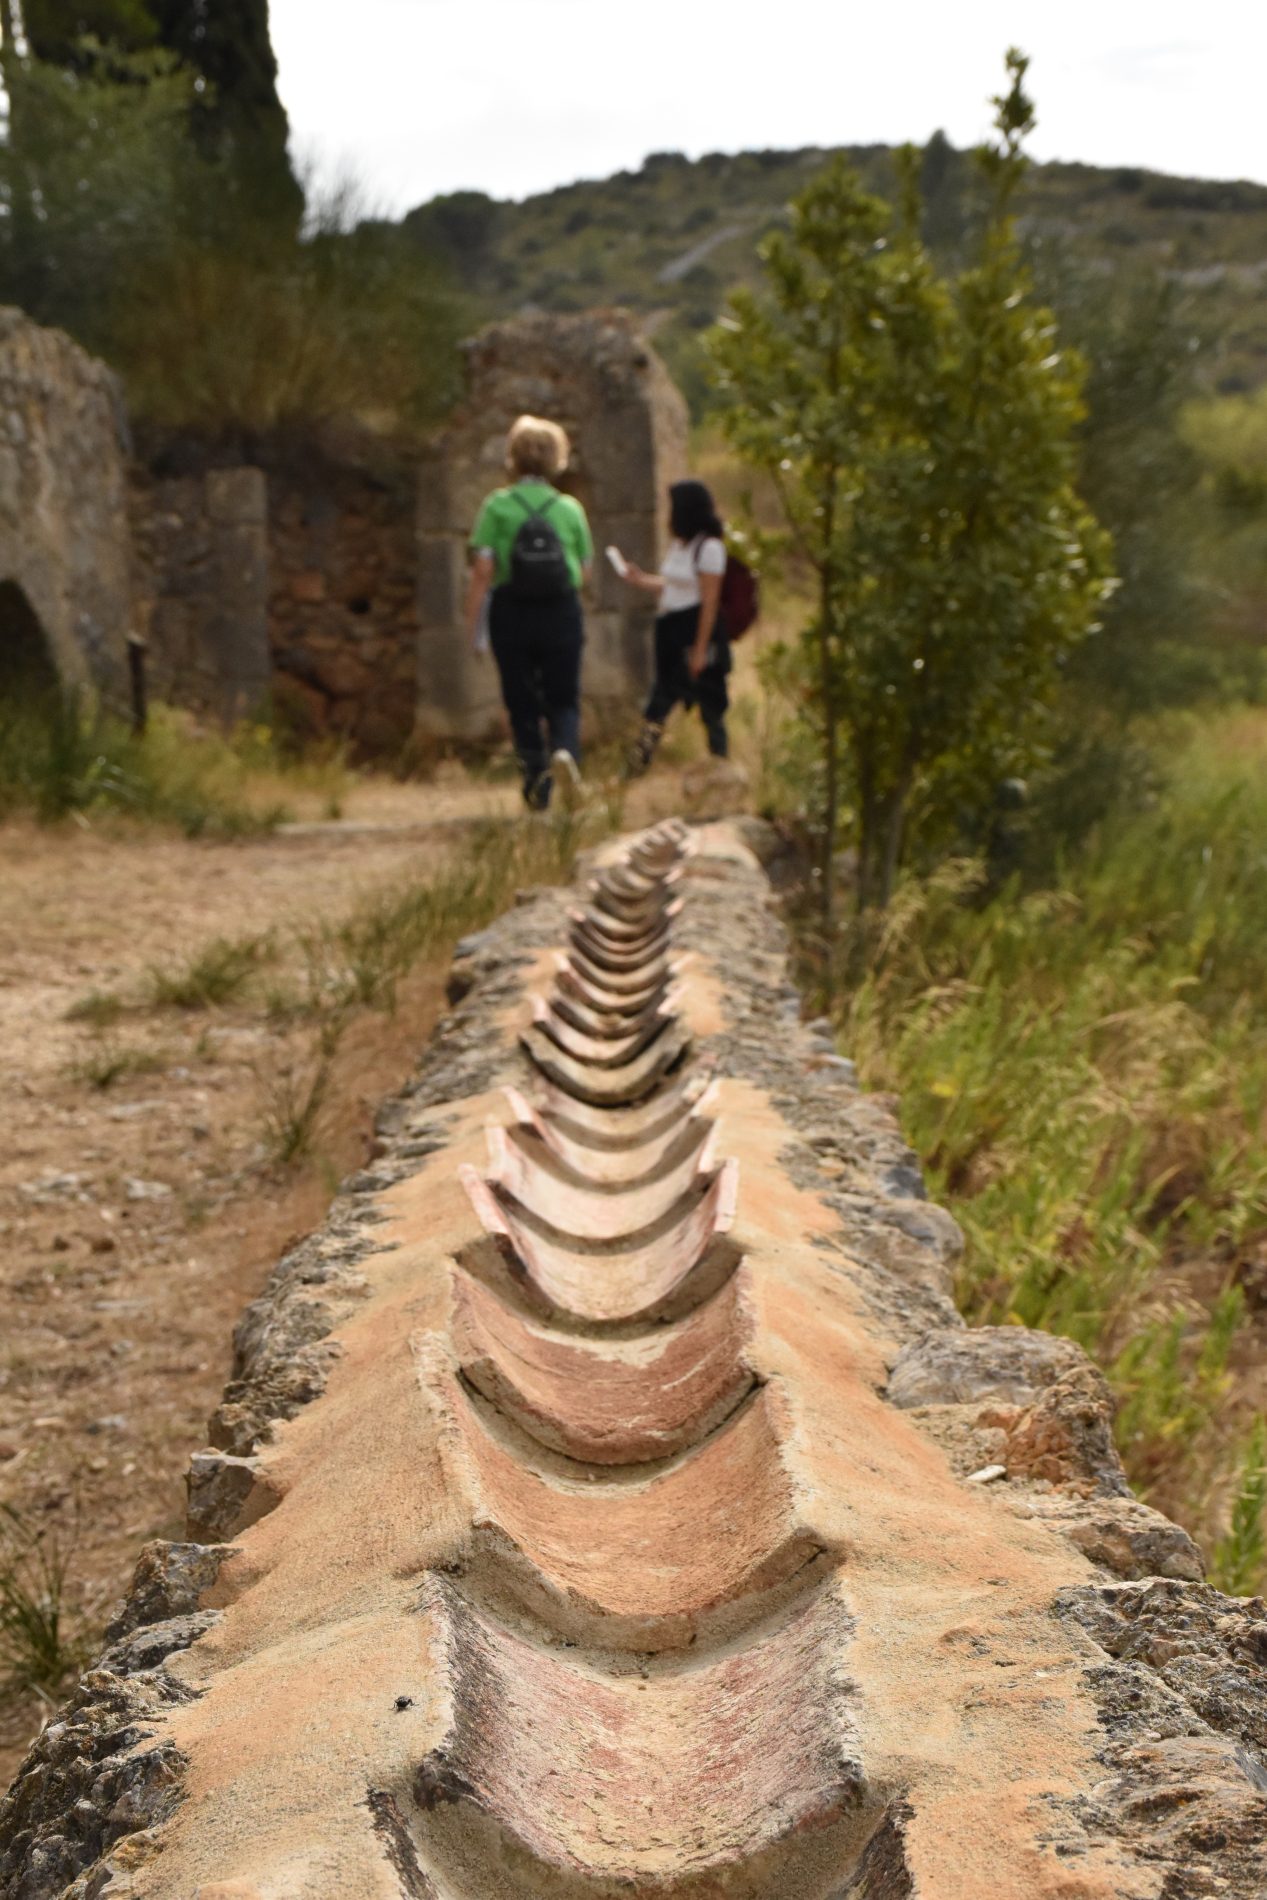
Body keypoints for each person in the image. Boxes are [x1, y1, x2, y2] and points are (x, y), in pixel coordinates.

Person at [466, 415, 594, 811]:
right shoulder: (570, 508)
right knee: (564, 697)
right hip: (560, 610)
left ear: (514, 458)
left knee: (520, 700)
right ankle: (566, 755)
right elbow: (584, 570)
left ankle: (536, 786)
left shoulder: (497, 506)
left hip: (512, 611)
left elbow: (483, 569)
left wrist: (473, 624)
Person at [620, 480, 731, 774]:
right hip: (670, 632)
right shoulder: (681, 546)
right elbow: (673, 586)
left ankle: (720, 763)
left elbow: (709, 600)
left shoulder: (710, 548)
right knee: (659, 701)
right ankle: (636, 765)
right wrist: (641, 579)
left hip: (694, 632)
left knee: (710, 703)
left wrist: (701, 648)